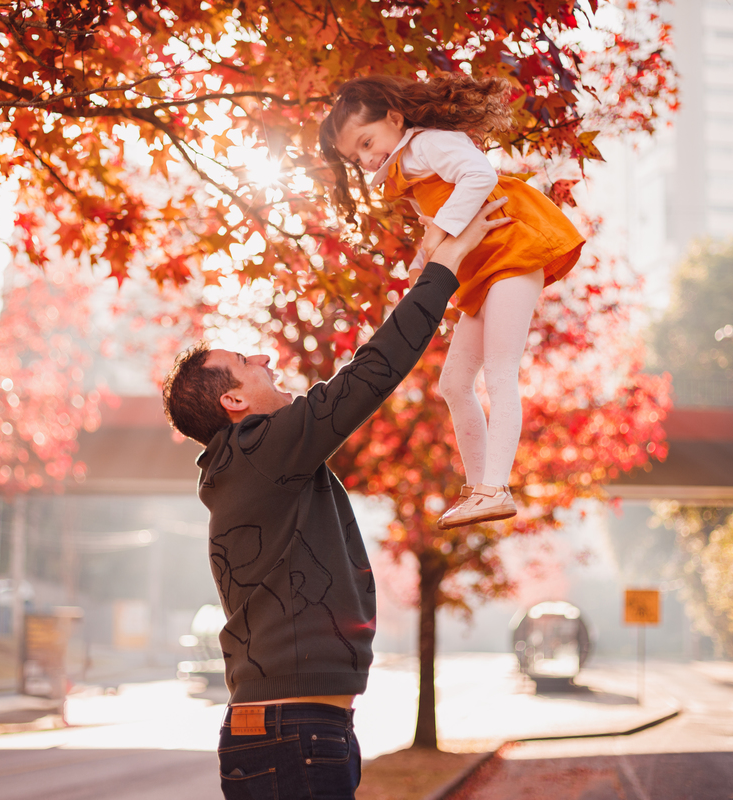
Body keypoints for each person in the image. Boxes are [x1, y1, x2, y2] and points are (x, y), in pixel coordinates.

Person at [162, 200, 511, 800]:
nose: (265, 358)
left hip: (290, 729)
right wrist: (447, 265)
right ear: (233, 403)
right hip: (294, 732)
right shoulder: (259, 449)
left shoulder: (247, 466)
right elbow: (371, 372)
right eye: (245, 362)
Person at [318, 74, 586, 529]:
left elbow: (479, 175)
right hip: (483, 271)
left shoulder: (426, 144)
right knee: (454, 383)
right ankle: (479, 487)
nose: (365, 159)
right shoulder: (407, 169)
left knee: (500, 370)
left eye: (366, 142)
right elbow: (440, 227)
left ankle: (494, 488)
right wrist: (423, 260)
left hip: (512, 251)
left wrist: (438, 233)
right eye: (355, 157)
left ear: (394, 119)